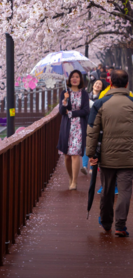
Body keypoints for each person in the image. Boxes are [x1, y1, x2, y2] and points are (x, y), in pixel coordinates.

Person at [87, 69, 133, 237]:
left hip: (106, 156)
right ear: (127, 84)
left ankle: (106, 222)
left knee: (107, 190)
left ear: (110, 83)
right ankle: (120, 225)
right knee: (124, 191)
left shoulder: (100, 103)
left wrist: (91, 153)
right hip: (129, 156)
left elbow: (92, 130)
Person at [56, 70, 89, 190]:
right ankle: (70, 177)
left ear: (80, 79)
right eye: (72, 77)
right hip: (67, 127)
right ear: (69, 79)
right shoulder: (65, 92)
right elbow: (61, 111)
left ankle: (74, 182)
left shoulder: (84, 94)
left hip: (79, 127)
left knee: (75, 154)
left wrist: (71, 113)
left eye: (77, 77)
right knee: (67, 156)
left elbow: (86, 111)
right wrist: (65, 101)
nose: (75, 79)